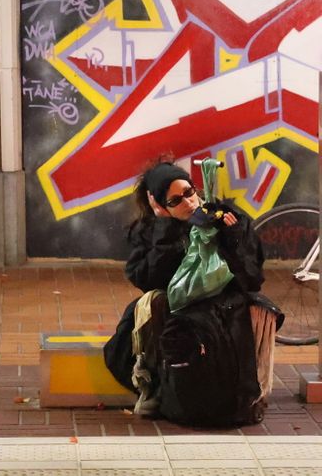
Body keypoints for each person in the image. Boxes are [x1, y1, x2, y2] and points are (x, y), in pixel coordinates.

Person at [107, 158, 278, 423]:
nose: (189, 203)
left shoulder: (224, 217)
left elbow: (252, 278)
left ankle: (235, 395)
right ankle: (161, 388)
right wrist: (165, 229)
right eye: (175, 201)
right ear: (159, 205)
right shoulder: (152, 230)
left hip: (221, 309)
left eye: (189, 193)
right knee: (148, 307)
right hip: (177, 310)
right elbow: (148, 280)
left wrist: (230, 237)